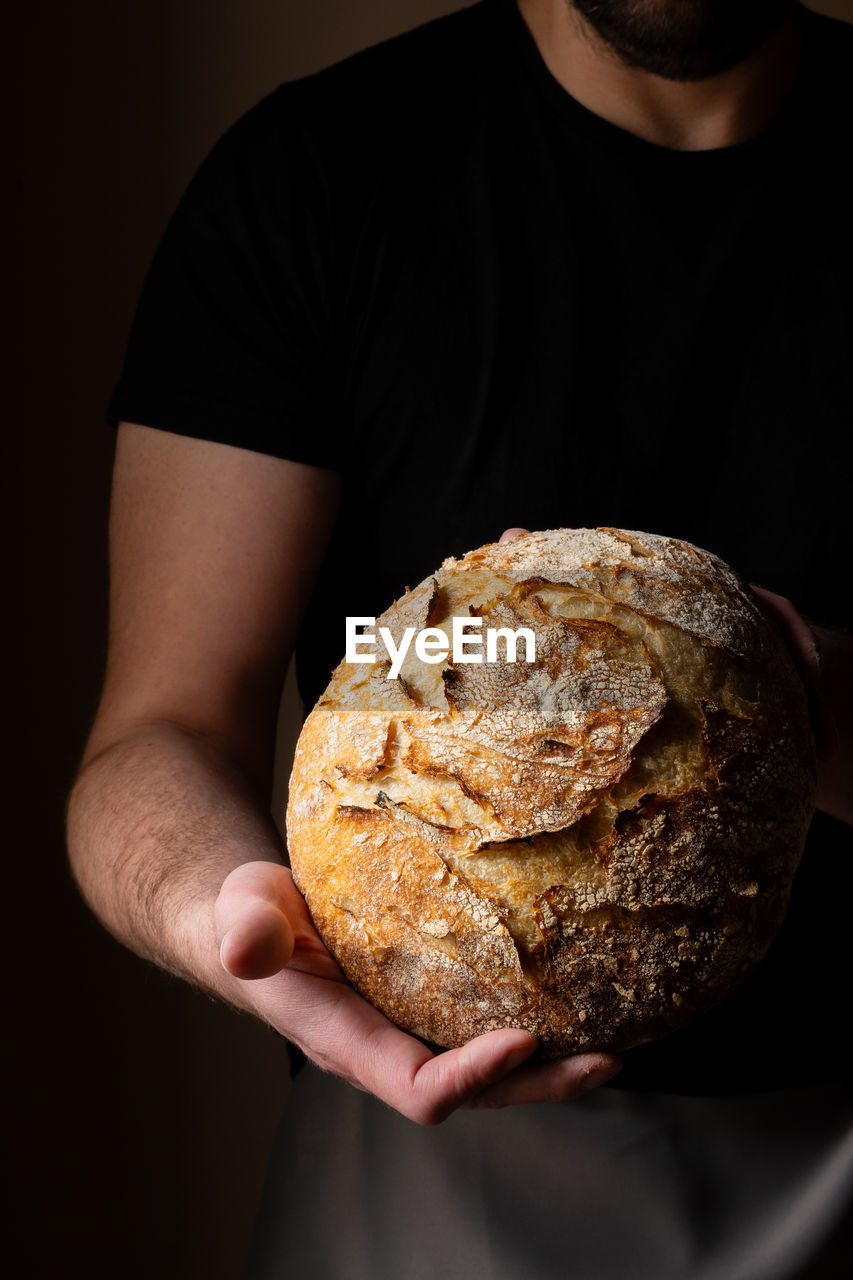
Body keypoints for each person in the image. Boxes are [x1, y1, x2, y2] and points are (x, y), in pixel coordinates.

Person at [67, 0, 853, 1275]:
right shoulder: (316, 175)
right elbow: (156, 732)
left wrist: (787, 703)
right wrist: (227, 919)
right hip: (413, 1187)